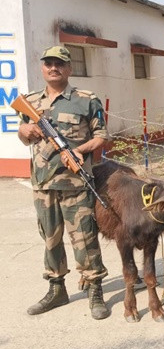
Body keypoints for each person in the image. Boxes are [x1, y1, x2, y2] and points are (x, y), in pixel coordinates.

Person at [16, 46, 110, 319]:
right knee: (50, 239)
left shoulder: (86, 99)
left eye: (60, 63)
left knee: (85, 238)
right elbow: (24, 137)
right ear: (42, 68)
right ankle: (57, 289)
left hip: (76, 183)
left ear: (69, 68)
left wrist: (80, 151)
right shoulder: (31, 102)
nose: (53, 68)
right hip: (43, 184)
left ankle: (95, 290)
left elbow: (102, 136)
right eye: (49, 63)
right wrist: (25, 129)